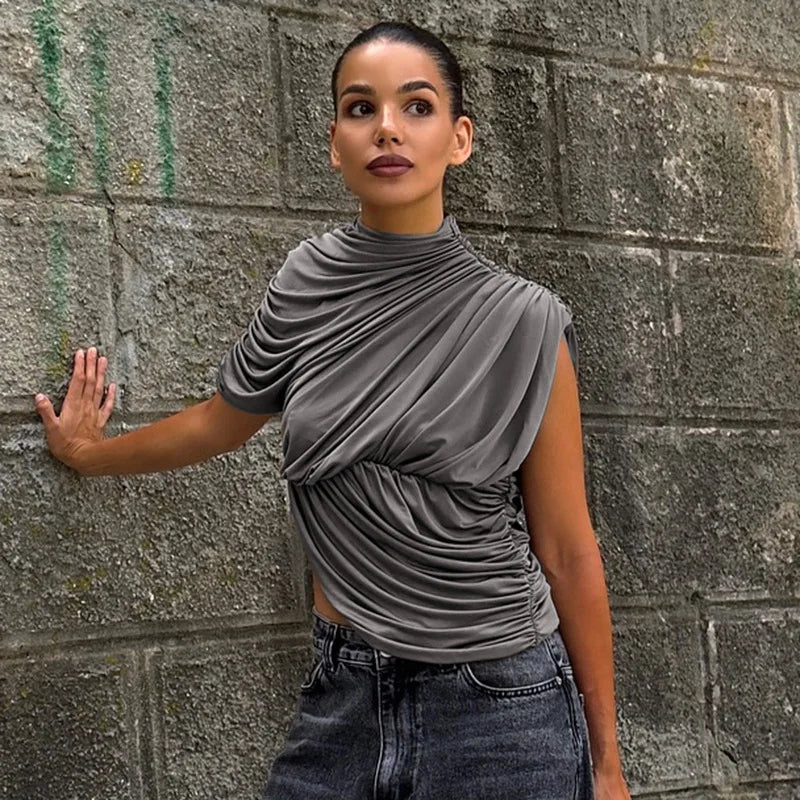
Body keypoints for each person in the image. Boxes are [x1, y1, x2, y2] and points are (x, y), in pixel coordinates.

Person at [34, 19, 631, 800]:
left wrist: (607, 762)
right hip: (344, 694)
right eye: (361, 108)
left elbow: (567, 547)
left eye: (417, 107)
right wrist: (87, 453)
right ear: (335, 143)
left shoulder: (524, 320)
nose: (387, 127)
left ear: (460, 139)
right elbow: (220, 420)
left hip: (502, 705)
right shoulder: (306, 282)